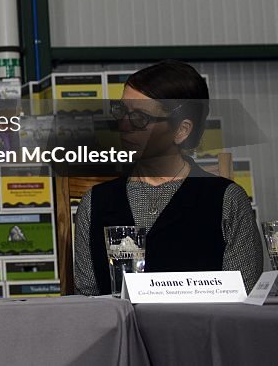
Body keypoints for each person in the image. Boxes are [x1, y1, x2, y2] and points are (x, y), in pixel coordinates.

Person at [74, 60, 262, 295]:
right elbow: (86, 297)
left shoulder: (227, 201)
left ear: (182, 130)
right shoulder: (95, 203)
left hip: (201, 331)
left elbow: (242, 297)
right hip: (118, 331)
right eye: (121, 111)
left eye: (140, 118)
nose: (123, 126)